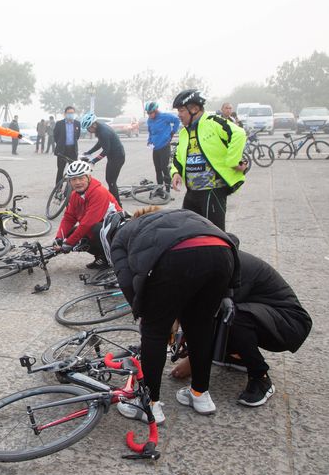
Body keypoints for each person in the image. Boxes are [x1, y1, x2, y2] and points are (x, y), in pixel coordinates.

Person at [101, 207, 240, 424]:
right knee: (201, 327)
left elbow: (127, 283)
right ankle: (200, 395)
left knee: (154, 332)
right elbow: (226, 239)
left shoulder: (120, 237)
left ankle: (149, 405)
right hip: (222, 253)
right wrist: (227, 293)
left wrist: (146, 315)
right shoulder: (175, 215)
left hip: (176, 257)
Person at [169, 250, 311, 407]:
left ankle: (260, 377)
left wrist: (193, 361)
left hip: (289, 323)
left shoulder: (229, 269)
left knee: (232, 317)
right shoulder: (214, 258)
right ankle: (237, 357)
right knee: (224, 316)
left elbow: (212, 318)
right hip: (266, 315)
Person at [170, 89, 247, 232]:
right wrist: (175, 172)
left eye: (181, 110)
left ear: (194, 109)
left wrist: (233, 161)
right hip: (192, 192)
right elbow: (178, 156)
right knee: (188, 233)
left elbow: (239, 134)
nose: (179, 115)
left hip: (212, 191)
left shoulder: (213, 122)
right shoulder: (185, 132)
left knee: (214, 235)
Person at [53, 160, 122, 269]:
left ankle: (113, 260)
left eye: (81, 178)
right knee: (71, 233)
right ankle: (101, 257)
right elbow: (69, 218)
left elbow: (88, 223)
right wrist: (59, 237)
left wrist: (69, 243)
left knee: (96, 229)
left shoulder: (99, 192)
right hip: (99, 227)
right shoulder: (74, 195)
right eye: (74, 179)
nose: (77, 182)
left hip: (117, 231)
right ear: (70, 181)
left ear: (89, 177)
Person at [81, 113, 126, 204]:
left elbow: (106, 150)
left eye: (88, 128)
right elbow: (100, 143)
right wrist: (89, 152)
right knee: (109, 180)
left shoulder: (103, 132)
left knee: (111, 182)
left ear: (94, 125)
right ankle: (112, 201)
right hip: (113, 156)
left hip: (117, 157)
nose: (88, 131)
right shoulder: (100, 128)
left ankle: (118, 205)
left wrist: (94, 161)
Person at [144, 101, 180, 195]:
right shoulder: (149, 120)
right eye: (148, 113)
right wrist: (149, 140)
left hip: (164, 146)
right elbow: (151, 132)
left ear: (155, 111)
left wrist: (172, 133)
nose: (149, 115)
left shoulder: (164, 116)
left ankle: (167, 190)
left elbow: (177, 120)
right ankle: (160, 189)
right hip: (155, 148)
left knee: (164, 168)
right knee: (157, 169)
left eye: (151, 113)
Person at [53, 107, 82, 184]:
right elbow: (55, 136)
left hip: (73, 150)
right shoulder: (59, 124)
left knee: (74, 170)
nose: (70, 114)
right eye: (69, 113)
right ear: (65, 114)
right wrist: (61, 144)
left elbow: (77, 136)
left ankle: (72, 186)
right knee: (60, 169)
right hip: (62, 150)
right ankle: (58, 187)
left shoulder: (77, 123)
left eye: (72, 113)